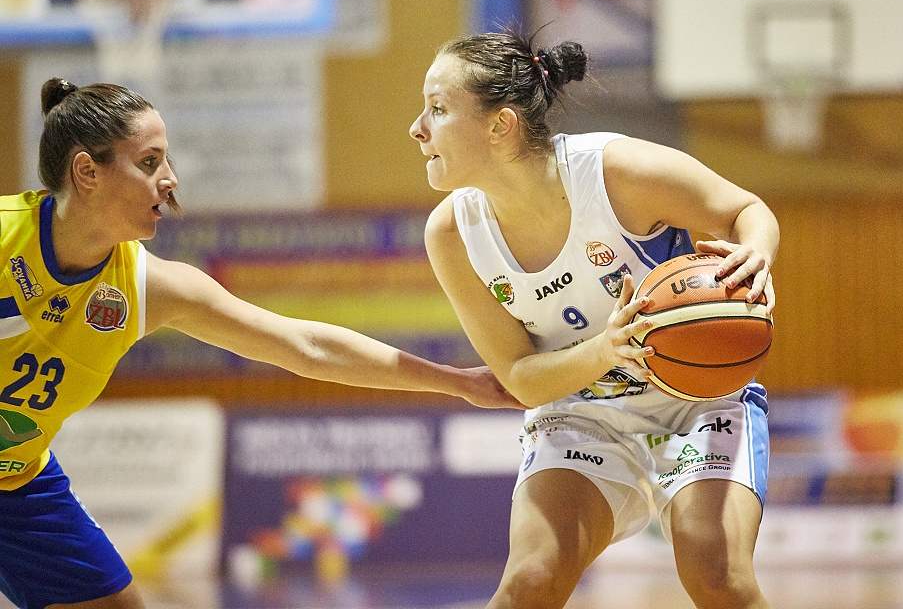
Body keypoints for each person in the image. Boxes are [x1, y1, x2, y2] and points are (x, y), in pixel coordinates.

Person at [0, 79, 521, 609]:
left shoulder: (151, 287)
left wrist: (457, 382)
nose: (170, 178)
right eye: (149, 162)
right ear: (87, 172)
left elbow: (307, 346)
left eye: (166, 160)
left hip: (18, 481)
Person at [409, 30, 778, 609]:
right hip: (580, 413)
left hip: (698, 401)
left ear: (500, 125)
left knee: (718, 577)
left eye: (437, 109)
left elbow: (744, 211)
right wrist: (607, 349)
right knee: (531, 582)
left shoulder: (615, 171)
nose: (417, 128)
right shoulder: (453, 234)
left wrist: (754, 254)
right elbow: (521, 377)